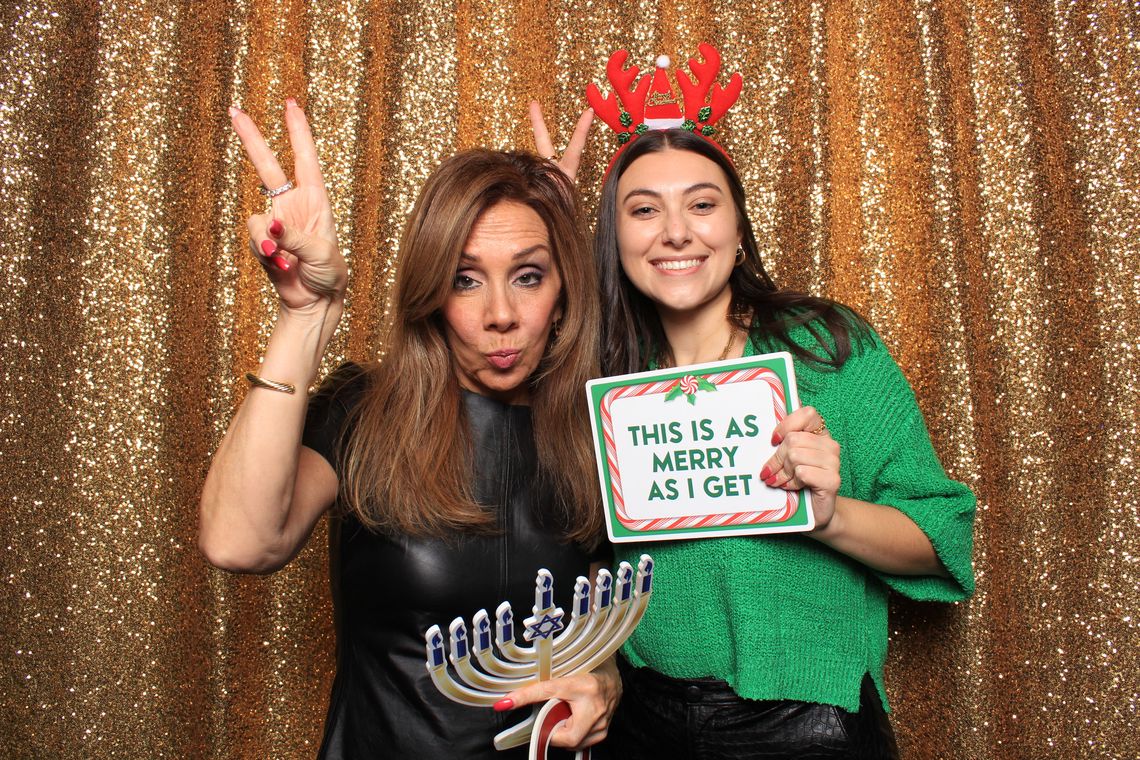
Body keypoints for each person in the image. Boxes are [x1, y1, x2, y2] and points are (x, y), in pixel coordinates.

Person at [532, 47, 976, 758]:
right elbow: (580, 555)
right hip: (643, 726)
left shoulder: (828, 348)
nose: (676, 232)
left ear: (737, 230)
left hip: (809, 722)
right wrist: (546, 231)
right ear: (615, 239)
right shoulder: (599, 376)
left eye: (702, 205)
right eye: (643, 211)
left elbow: (942, 539)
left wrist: (825, 515)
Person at [199, 98, 618, 758]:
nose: (501, 314)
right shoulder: (365, 411)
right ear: (431, 291)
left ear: (563, 290)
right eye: (465, 280)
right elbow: (238, 542)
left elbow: (611, 626)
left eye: (529, 276)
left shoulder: (598, 431)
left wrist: (605, 686)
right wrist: (304, 318)